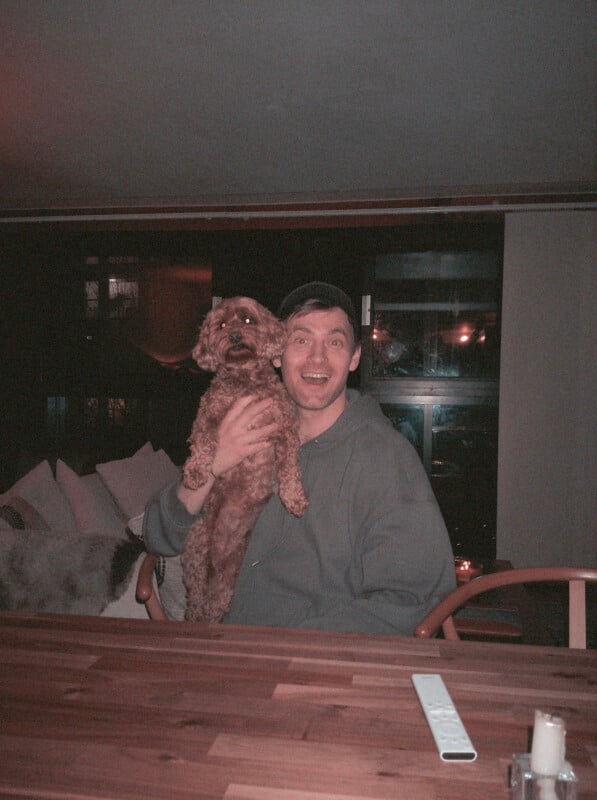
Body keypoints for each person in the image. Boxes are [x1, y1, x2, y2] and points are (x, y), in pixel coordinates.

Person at [144, 281, 455, 634]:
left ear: (354, 357)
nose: (317, 358)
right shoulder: (243, 427)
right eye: (301, 340)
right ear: (276, 351)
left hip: (313, 654)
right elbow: (157, 536)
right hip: (222, 643)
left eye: (334, 342)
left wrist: (296, 646)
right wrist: (214, 465)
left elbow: (411, 598)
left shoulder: (386, 458)